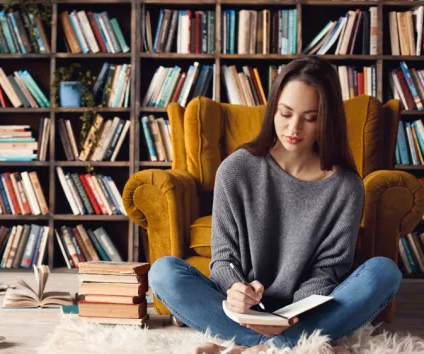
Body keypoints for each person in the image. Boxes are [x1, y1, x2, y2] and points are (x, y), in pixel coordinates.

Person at [147, 56, 403, 354]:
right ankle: (294, 346)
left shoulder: (346, 186)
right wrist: (234, 290)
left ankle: (258, 348)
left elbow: (328, 270)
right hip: (242, 311)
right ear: (273, 110)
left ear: (327, 119)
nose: (294, 128)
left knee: (384, 273)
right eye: (285, 113)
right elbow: (223, 258)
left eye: (310, 118)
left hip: (306, 311)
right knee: (163, 272)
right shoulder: (236, 169)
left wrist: (291, 315)